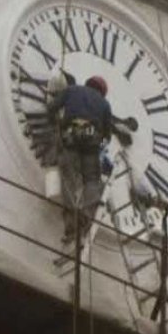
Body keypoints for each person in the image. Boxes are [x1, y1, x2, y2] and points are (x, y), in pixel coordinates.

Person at [46, 75, 115, 243]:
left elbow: (52, 108)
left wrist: (57, 124)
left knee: (68, 178)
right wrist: (99, 142)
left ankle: (70, 222)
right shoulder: (105, 104)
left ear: (88, 83)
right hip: (91, 145)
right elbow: (108, 134)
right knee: (92, 181)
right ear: (102, 91)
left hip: (70, 139)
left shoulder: (71, 90)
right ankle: (84, 217)